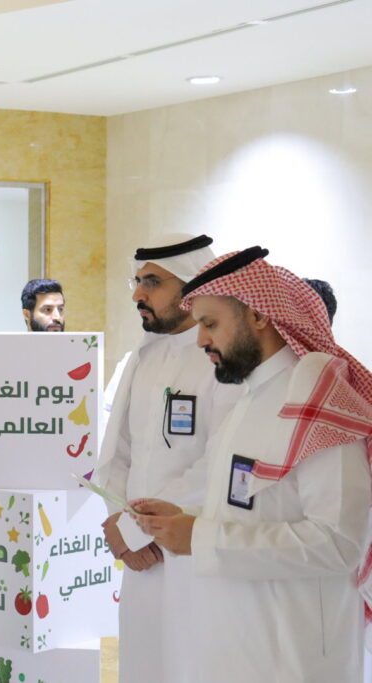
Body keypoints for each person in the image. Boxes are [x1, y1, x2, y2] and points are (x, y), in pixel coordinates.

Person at [133, 247, 372, 682]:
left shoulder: (316, 400)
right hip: (238, 644)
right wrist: (187, 520)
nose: (201, 340)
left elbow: (338, 542)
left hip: (296, 654)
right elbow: (252, 507)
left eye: (210, 324)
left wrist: (202, 538)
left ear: (259, 316)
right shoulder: (252, 398)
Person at [92, 233, 238, 683]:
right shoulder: (144, 356)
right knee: (144, 664)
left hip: (196, 552)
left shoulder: (225, 360)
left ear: (192, 287)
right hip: (141, 558)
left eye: (152, 282)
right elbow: (117, 452)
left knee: (193, 666)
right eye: (136, 281)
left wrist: (145, 529)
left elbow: (223, 458)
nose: (138, 294)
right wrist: (119, 520)